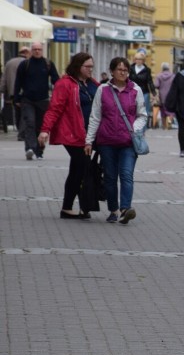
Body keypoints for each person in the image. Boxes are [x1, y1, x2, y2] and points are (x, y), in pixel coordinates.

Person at [84, 57, 147, 224]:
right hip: (107, 142)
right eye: (119, 69)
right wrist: (89, 140)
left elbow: (142, 115)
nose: (123, 72)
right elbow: (95, 116)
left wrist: (135, 128)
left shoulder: (135, 90)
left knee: (126, 174)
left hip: (128, 142)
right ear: (112, 71)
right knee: (110, 177)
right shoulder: (103, 90)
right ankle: (114, 209)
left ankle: (126, 208)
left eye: (125, 70)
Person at [37, 53, 98, 220]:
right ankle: (81, 206)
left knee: (77, 169)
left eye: (92, 66)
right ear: (78, 66)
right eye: (87, 66)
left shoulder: (93, 84)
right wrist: (45, 130)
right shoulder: (65, 84)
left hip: (88, 134)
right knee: (81, 166)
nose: (91, 70)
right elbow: (54, 108)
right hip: (71, 133)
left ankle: (69, 207)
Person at [13, 42, 60, 160]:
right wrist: (16, 98)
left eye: (39, 49)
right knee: (30, 123)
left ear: (42, 50)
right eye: (35, 49)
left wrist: (59, 93)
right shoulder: (25, 64)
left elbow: (56, 81)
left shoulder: (48, 64)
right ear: (31, 51)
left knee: (41, 127)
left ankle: (39, 151)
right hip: (27, 100)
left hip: (43, 100)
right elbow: (18, 82)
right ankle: (30, 149)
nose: (37, 51)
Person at [1, 46, 30, 135]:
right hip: (25, 91)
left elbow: (4, 79)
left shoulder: (9, 62)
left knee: (17, 111)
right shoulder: (27, 63)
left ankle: (19, 128)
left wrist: (2, 89)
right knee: (25, 112)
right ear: (26, 53)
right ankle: (22, 131)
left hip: (12, 92)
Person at [128, 51, 156, 127]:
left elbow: (150, 81)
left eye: (140, 59)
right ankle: (133, 126)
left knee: (144, 111)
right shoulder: (131, 68)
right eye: (137, 59)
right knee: (132, 109)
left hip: (144, 92)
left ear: (143, 60)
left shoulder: (147, 70)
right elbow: (127, 80)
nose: (138, 61)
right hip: (132, 91)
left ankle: (142, 129)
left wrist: (153, 93)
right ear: (135, 60)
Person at [154, 62, 176, 129]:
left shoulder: (159, 76)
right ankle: (170, 121)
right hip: (171, 96)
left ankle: (164, 126)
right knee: (171, 111)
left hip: (162, 96)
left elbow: (156, 85)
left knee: (163, 111)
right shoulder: (173, 75)